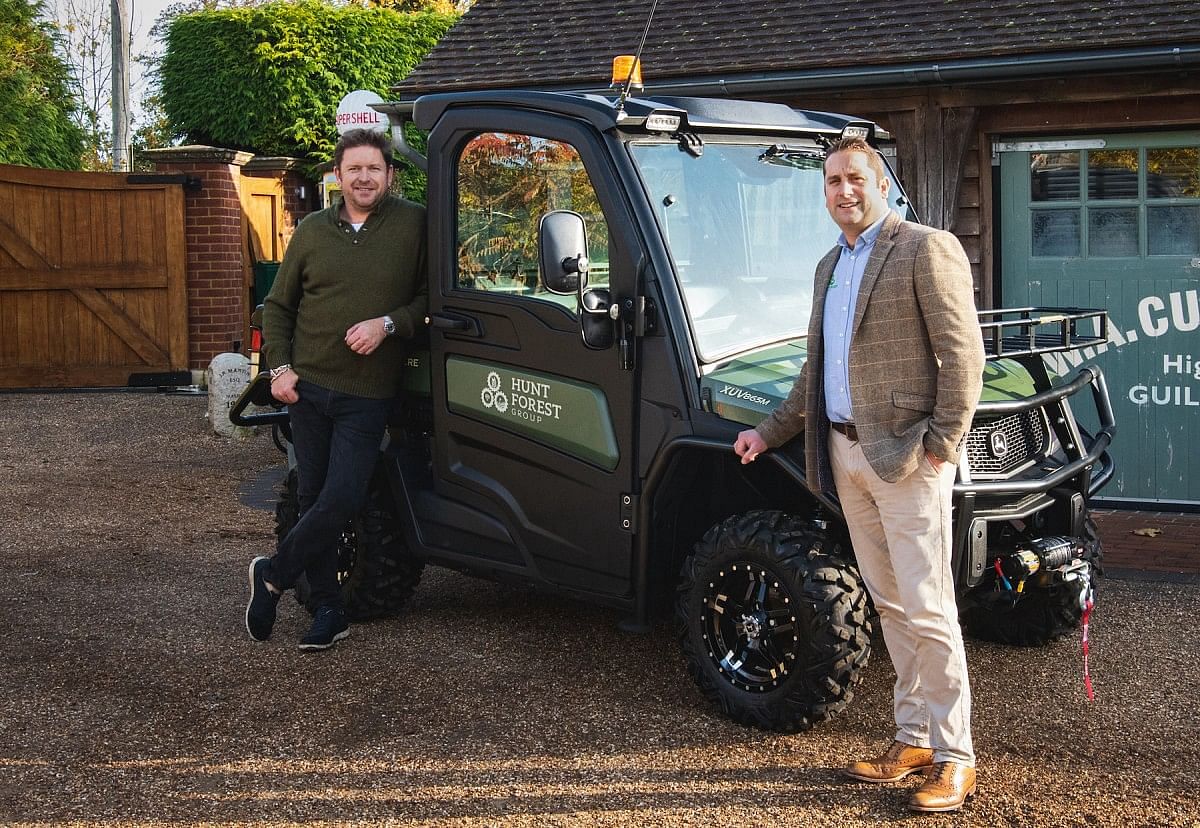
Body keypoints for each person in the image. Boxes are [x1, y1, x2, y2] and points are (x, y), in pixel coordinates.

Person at [734, 136, 985, 812]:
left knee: (930, 607)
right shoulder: (830, 266)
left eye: (853, 178)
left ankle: (955, 756)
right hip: (846, 456)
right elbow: (816, 374)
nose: (842, 191)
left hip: (907, 459)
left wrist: (942, 445)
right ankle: (914, 738)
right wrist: (766, 432)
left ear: (879, 183)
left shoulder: (924, 248)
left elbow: (963, 358)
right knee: (891, 603)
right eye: (831, 182)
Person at [244, 128, 427, 651]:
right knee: (311, 498)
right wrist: (278, 370)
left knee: (343, 495)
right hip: (308, 387)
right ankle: (328, 609)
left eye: (374, 168)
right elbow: (278, 307)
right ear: (338, 176)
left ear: (390, 174)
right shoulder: (312, 232)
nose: (364, 177)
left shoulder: (415, 224)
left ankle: (274, 573)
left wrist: (388, 324)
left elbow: (427, 301)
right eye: (354, 169)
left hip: (368, 392)